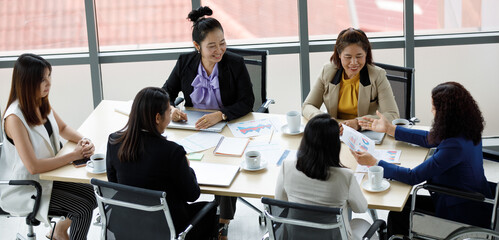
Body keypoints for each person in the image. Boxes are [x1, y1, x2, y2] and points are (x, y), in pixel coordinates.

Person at [351, 82, 493, 236]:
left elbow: (413, 176)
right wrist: (391, 129)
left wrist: (374, 163)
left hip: (460, 211)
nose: (431, 111)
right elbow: (429, 139)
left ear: (446, 113)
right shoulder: (466, 127)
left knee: (397, 214)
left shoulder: (455, 145)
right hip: (471, 198)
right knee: (401, 208)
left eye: (434, 108)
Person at [162, 6, 254, 238]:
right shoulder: (185, 62)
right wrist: (172, 109)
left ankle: (222, 222)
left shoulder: (235, 63)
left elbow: (247, 102)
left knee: (227, 166)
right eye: (211, 46)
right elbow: (165, 92)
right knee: (173, 160)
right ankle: (182, 215)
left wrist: (220, 114)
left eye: (222, 43)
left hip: (228, 127)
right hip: (194, 128)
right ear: (197, 47)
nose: (219, 50)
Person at [0, 53, 97, 240]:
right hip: (28, 186)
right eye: (42, 79)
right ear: (27, 82)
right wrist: (73, 155)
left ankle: (58, 231)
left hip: (48, 176)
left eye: (49, 76)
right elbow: (33, 167)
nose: (48, 83)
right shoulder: (14, 118)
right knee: (82, 210)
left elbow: (62, 127)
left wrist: (84, 140)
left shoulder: (39, 102)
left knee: (93, 194)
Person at [106, 87, 218, 239]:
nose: (171, 115)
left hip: (127, 224)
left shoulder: (114, 141)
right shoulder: (172, 152)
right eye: (169, 111)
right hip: (167, 227)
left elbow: (114, 183)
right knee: (210, 209)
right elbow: (192, 194)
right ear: (158, 118)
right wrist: (187, 167)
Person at [275, 113, 369, 239]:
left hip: (296, 236)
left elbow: (280, 202)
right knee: (363, 225)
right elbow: (361, 208)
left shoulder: (287, 167)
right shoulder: (345, 176)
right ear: (334, 145)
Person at [302, 27, 399, 130]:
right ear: (339, 55)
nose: (354, 62)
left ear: (366, 54)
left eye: (359, 56)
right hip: (336, 131)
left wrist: (358, 123)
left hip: (366, 133)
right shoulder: (327, 71)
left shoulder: (377, 75)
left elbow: (392, 115)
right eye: (348, 57)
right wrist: (325, 119)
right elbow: (307, 106)